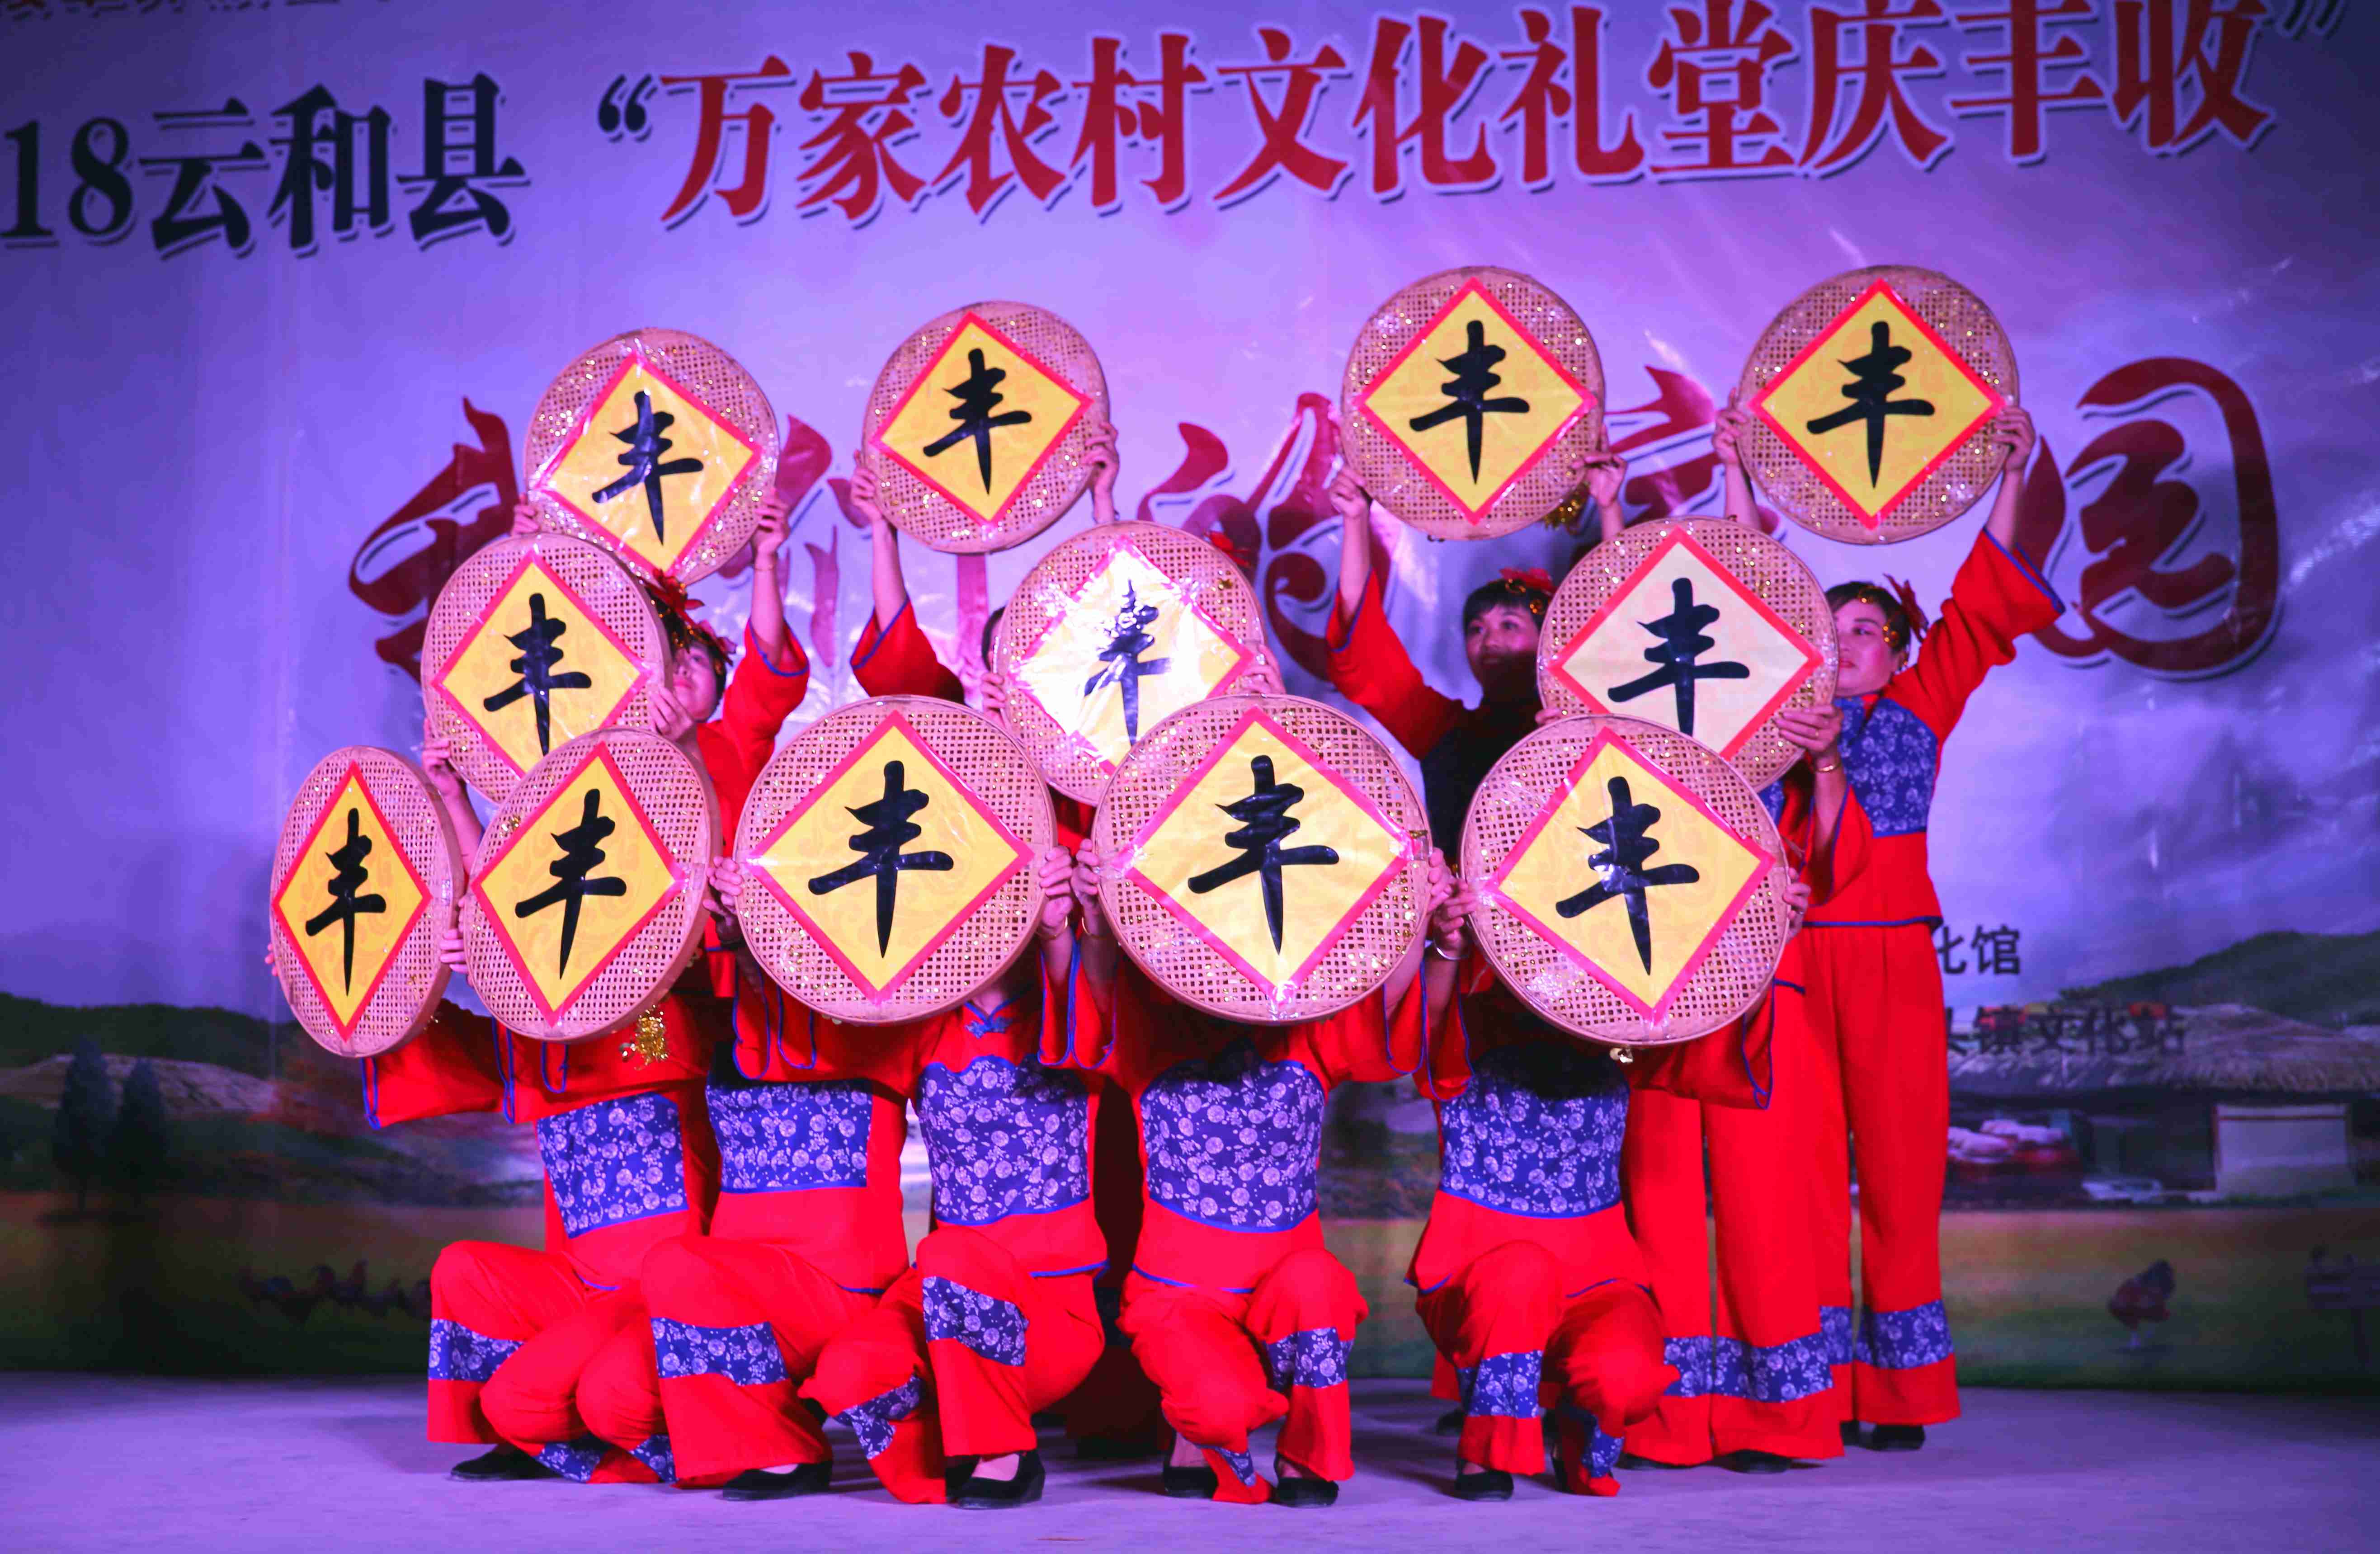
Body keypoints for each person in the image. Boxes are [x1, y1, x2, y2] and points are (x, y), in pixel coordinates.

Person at [335, 490, 808, 1486]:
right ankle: (550, 1405)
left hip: (666, 1019)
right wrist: (453, 802)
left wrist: (763, 561)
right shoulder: (575, 785)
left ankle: (664, 1394)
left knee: (652, 1110)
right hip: (574, 1037)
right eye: (666, 660)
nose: (680, 679)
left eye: (697, 665)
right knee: (555, 1175)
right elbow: (512, 891)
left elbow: (762, 691)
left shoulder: (730, 751)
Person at [1715, 397, 2062, 1448]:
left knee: (1903, 1175)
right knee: (1804, 1179)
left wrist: (2011, 474)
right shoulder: (1771, 727)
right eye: (1828, 632)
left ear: (1898, 650)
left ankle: (1901, 1391)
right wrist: (1733, 470)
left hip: (1892, 958)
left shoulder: (1920, 705)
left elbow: (1980, 602)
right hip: (1790, 967)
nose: (1846, 644)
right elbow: (1734, 598)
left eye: (1866, 631)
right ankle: (1811, 1391)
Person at [1402, 855, 1810, 1499]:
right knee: (1520, 1276)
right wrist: (1446, 946)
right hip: (1482, 1276)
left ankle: (1578, 1429)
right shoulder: (1474, 1020)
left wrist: (1764, 940)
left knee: (1628, 1374)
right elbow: (1420, 1032)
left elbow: (1709, 1037)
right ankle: (1488, 1453)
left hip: (1596, 1278)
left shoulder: (1615, 1030)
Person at [1613, 405, 1852, 1474]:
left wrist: (1827, 763)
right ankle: (1667, 1416)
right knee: (1660, 1197)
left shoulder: (1785, 735)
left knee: (1763, 1203)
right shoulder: (1614, 735)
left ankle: (1780, 1417)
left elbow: (1828, 867)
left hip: (1761, 983)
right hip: (1651, 981)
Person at [1057, 838, 1427, 1508]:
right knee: (1216, 1403)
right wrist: (1096, 919)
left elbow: (1384, 996)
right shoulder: (1148, 1034)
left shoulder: (1309, 1030)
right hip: (1179, 1296)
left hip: (1285, 1292)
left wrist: (1418, 908)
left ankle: (1308, 1454)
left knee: (1319, 1284)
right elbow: (1100, 986)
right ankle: (1201, 1420)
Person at [1322, 450, 1627, 851]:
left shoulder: (1582, 721)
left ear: (1548, 640)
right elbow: (1364, 653)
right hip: (1461, 893)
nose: (1489, 640)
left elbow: (1622, 633)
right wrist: (1355, 519)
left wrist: (1608, 508)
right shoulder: (1441, 727)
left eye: (1509, 624)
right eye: (1476, 629)